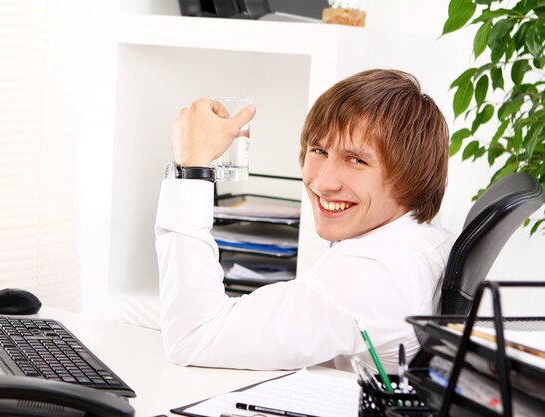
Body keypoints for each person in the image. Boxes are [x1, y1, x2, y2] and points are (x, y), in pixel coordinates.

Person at [155, 69, 455, 372]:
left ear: (410, 178)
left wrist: (191, 167)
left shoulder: (371, 274)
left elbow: (192, 337)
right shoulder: (425, 240)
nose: (324, 183)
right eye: (319, 150)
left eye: (357, 160)